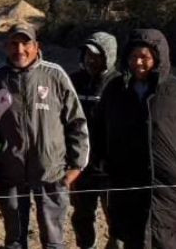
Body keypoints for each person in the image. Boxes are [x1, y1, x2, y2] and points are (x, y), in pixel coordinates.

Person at [0, 22, 89, 249]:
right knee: (15, 240)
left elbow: (77, 122)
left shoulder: (55, 75)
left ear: (37, 46)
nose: (20, 49)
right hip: (10, 172)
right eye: (14, 44)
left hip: (51, 171)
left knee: (53, 241)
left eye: (25, 43)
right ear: (6, 47)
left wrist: (76, 166)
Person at [96, 29, 176, 249]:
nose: (138, 63)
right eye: (133, 57)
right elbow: (98, 127)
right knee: (132, 238)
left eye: (145, 57)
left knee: (175, 241)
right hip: (127, 185)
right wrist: (103, 161)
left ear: (158, 58)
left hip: (173, 190)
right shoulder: (114, 90)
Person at [68, 32, 119, 249]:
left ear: (109, 56)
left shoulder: (120, 84)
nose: (91, 59)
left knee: (117, 219)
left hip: (112, 169)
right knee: (82, 215)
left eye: (97, 55)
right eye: (87, 54)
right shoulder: (74, 81)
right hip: (81, 167)